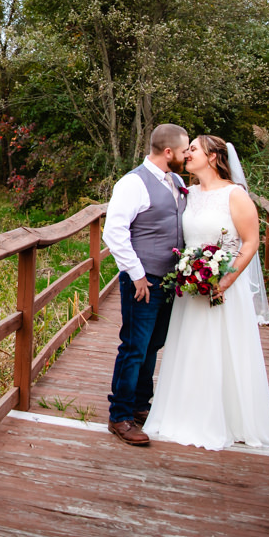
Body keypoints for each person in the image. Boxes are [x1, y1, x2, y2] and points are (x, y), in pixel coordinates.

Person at [143, 135, 269, 451]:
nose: (187, 153)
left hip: (222, 288)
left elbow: (250, 243)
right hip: (189, 287)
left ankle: (226, 418)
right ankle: (181, 412)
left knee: (220, 348)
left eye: (193, 148)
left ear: (213, 156)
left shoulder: (236, 195)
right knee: (188, 347)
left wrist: (225, 282)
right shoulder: (186, 193)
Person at [104, 123, 190, 447]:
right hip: (143, 280)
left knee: (153, 344)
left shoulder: (178, 181)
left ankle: (141, 403)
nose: (186, 156)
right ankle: (119, 415)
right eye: (184, 151)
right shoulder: (132, 184)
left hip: (168, 280)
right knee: (134, 347)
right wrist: (137, 274)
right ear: (169, 152)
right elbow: (114, 232)